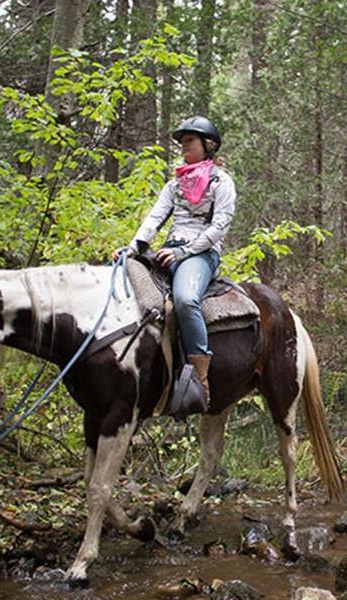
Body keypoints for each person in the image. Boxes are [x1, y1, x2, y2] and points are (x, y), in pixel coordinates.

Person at [114, 116, 236, 417]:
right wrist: (134, 247)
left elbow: (220, 226)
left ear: (208, 145)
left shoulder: (222, 181)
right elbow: (155, 218)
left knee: (185, 299)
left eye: (189, 143)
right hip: (171, 248)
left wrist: (185, 252)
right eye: (182, 144)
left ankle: (199, 380)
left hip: (200, 252)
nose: (184, 148)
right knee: (121, 275)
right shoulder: (175, 183)